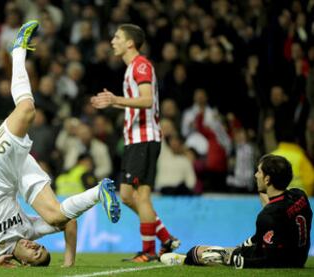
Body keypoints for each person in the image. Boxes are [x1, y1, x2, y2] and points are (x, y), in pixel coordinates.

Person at [0, 20, 120, 268]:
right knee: (56, 215)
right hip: (14, 173)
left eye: (34, 254)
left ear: (23, 264)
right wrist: (68, 263)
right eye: (42, 249)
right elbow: (69, 221)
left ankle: (17, 51)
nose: (35, 247)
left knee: (26, 110)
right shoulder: (29, 231)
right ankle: (99, 191)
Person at [91, 24, 180, 262]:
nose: (112, 41)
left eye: (117, 37)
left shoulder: (141, 65)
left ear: (130, 43)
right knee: (128, 195)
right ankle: (165, 237)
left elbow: (147, 100)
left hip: (145, 138)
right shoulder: (131, 68)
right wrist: (113, 103)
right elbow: (136, 101)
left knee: (141, 197)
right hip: (134, 140)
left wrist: (116, 98)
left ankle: (149, 251)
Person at [161, 154, 312, 269]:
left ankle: (184, 260)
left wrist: (237, 259)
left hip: (280, 259)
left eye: (259, 172)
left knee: (199, 251)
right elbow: (281, 218)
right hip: (299, 256)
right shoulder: (299, 195)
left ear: (267, 179)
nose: (255, 175)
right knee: (238, 246)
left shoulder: (267, 217)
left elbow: (268, 259)